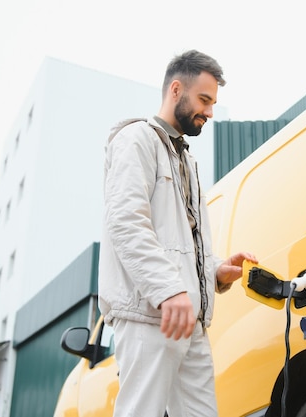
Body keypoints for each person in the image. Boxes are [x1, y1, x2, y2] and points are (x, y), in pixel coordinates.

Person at [98, 50, 257, 417]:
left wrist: (215, 270)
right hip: (149, 316)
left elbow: (178, 241)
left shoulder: (186, 159)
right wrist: (169, 289)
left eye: (213, 102)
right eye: (204, 99)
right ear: (175, 90)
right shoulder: (136, 139)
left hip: (190, 322)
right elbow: (125, 222)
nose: (210, 112)